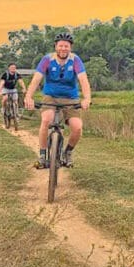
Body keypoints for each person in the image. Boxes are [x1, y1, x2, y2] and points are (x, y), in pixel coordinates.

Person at [24, 32, 92, 168]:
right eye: (60, 46)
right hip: (51, 97)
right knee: (46, 120)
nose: (63, 49)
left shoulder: (75, 60)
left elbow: (83, 80)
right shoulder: (47, 59)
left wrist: (87, 98)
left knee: (77, 127)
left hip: (70, 98)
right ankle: (43, 156)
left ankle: (67, 153)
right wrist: (28, 97)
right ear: (55, 46)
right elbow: (36, 79)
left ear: (70, 47)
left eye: (66, 46)